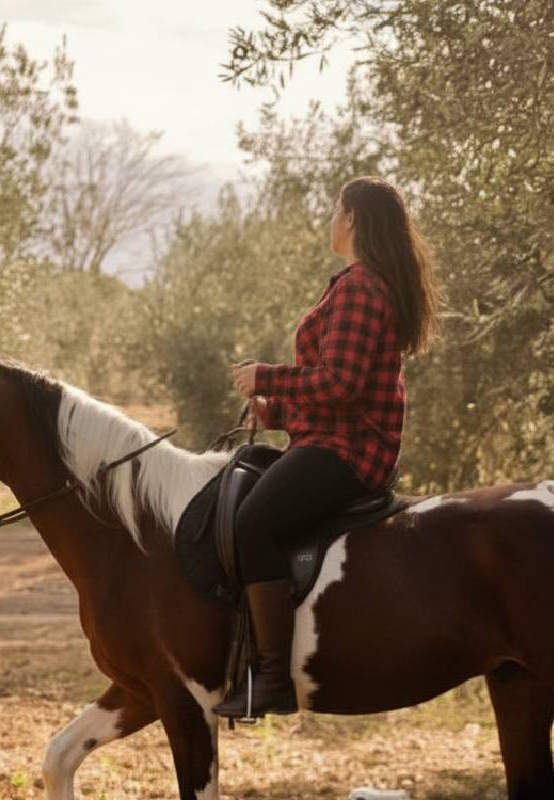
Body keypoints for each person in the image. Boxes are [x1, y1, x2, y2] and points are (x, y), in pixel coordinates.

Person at [211, 176, 440, 719]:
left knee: (253, 523)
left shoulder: (361, 287)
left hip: (350, 451)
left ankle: (272, 680)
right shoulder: (357, 283)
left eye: (335, 209)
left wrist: (266, 376)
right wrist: (272, 412)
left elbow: (340, 383)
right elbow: (334, 388)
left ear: (353, 217)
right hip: (334, 438)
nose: (330, 219)